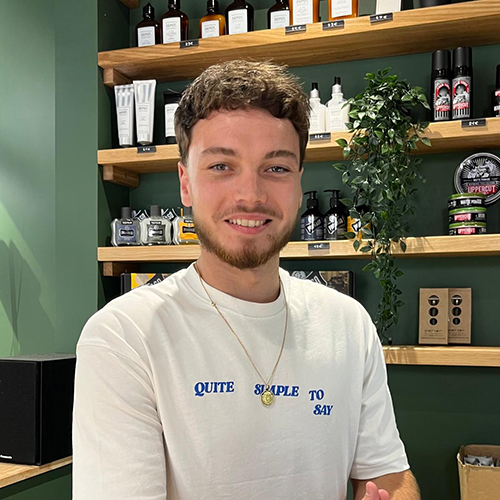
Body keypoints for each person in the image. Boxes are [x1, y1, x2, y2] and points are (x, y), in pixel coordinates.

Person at [72, 60, 421, 500]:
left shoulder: (347, 323)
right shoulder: (124, 336)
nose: (251, 195)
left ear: (298, 184)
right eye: (221, 166)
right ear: (185, 183)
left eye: (275, 168)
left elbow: (389, 474)